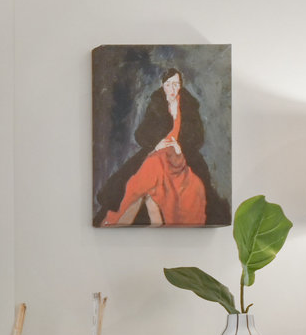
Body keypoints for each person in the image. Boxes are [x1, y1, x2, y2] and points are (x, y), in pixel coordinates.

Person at [95, 68, 229, 226]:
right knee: (145, 168)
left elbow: (198, 137)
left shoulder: (190, 106)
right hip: (158, 150)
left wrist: (179, 145)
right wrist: (158, 143)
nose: (172, 89)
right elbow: (141, 134)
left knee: (194, 186)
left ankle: (156, 212)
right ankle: (124, 215)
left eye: (176, 84)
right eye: (168, 85)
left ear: (180, 85)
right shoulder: (156, 103)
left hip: (181, 154)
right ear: (162, 85)